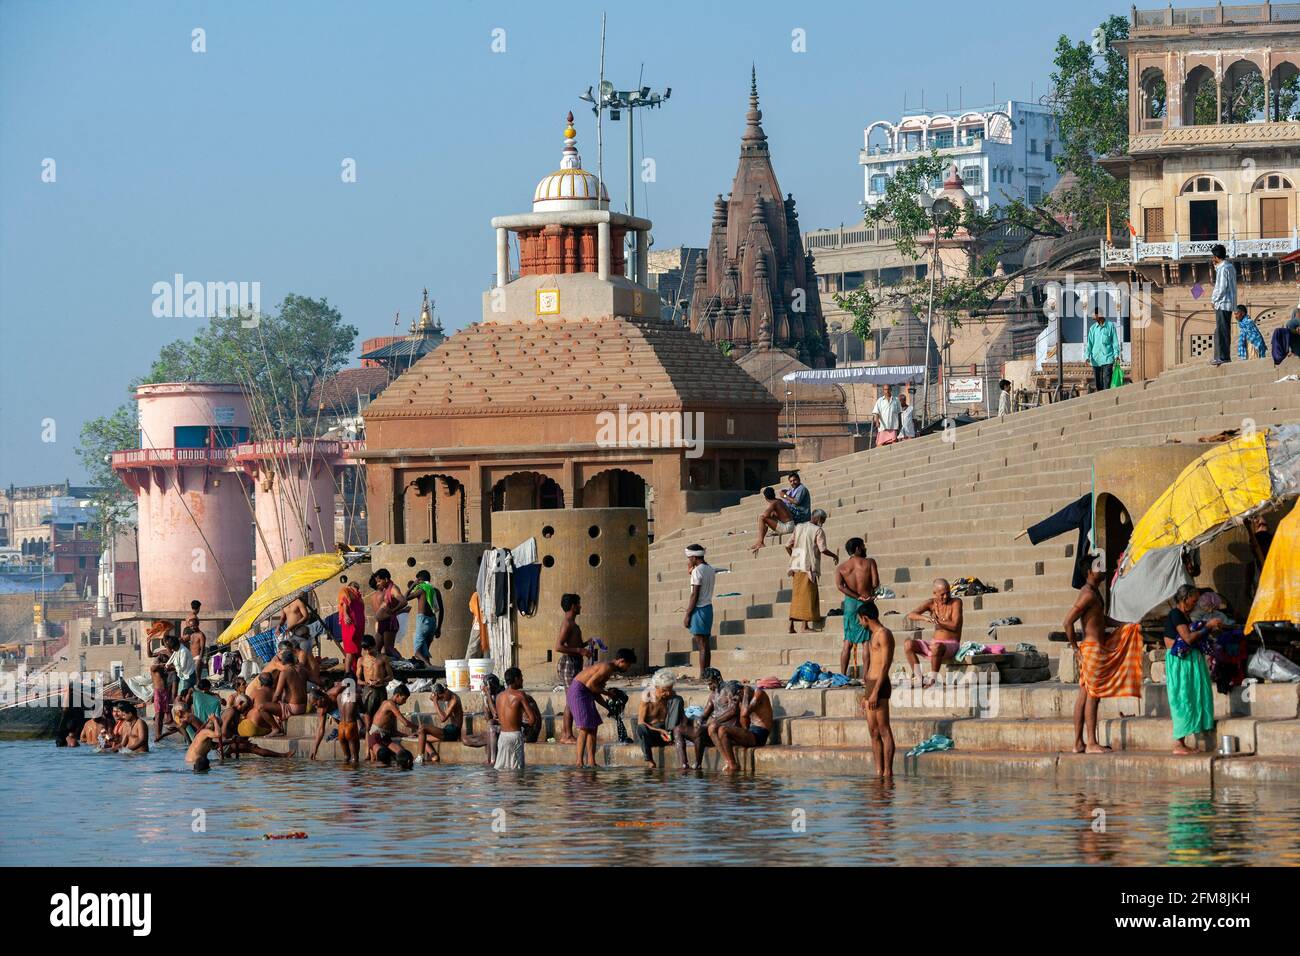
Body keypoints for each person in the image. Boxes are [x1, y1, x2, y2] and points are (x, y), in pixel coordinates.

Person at [1063, 569, 1115, 754]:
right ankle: (1091, 743)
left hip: (1093, 648)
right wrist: (1075, 648)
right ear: (1089, 571)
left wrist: (1123, 624)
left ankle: (1078, 743)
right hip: (1091, 649)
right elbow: (1067, 621)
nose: (1102, 569)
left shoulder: (1093, 592)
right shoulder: (1087, 594)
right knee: (1093, 695)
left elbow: (1100, 619)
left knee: (1084, 695)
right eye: (1097, 566)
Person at [1165, 584, 1219, 755]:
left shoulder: (1184, 616)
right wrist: (1207, 627)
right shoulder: (1176, 614)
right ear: (1184, 598)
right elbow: (1187, 638)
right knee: (1183, 699)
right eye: (1193, 601)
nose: (1195, 604)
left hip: (1188, 662)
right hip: (1180, 664)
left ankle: (1184, 742)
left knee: (1192, 697)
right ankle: (1179, 744)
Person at [567, 648, 637, 767]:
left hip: (586, 693)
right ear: (621, 661)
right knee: (584, 728)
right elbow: (590, 685)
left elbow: (595, 691)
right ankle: (579, 762)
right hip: (579, 692)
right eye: (628, 665)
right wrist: (609, 694)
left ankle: (592, 762)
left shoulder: (609, 670)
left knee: (593, 727)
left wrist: (607, 707)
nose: (628, 668)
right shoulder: (607, 668)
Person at [858, 601, 896, 779]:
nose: (859, 623)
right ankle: (878, 771)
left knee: (883, 730)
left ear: (865, 618)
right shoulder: (872, 635)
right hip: (871, 685)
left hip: (880, 686)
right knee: (873, 732)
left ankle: (888, 772)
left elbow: (885, 666)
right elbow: (872, 665)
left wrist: (874, 692)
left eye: (860, 620)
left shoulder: (884, 634)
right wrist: (866, 693)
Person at [904, 579, 964, 686]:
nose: (945, 597)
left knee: (936, 647)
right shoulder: (931, 603)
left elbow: (955, 626)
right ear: (935, 593)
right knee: (908, 645)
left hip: (951, 645)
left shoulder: (956, 602)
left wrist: (938, 621)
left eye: (948, 593)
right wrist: (925, 618)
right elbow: (911, 615)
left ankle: (933, 680)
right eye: (942, 594)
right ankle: (920, 679)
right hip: (934, 644)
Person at [835, 538, 879, 677]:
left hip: (850, 604)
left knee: (847, 641)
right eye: (863, 546)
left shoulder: (841, 568)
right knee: (866, 642)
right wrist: (864, 595)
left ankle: (842, 676)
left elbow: (840, 586)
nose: (865, 549)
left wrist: (855, 595)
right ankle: (866, 676)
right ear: (857, 549)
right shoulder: (870, 562)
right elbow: (875, 583)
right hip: (866, 603)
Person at [786, 510, 836, 634]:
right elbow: (822, 549)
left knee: (797, 596)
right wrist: (835, 555)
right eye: (822, 521)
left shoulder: (799, 527)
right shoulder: (818, 530)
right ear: (819, 519)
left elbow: (788, 545)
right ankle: (804, 626)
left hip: (796, 566)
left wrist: (795, 558)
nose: (822, 524)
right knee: (807, 596)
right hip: (809, 567)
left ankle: (791, 626)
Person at [711, 681, 773, 773]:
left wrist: (746, 694)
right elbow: (743, 723)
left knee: (723, 730)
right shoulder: (743, 701)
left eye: (734, 698)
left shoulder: (759, 693)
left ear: (740, 692)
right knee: (713, 729)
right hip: (750, 733)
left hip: (759, 734)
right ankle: (728, 762)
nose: (733, 701)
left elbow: (744, 713)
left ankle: (733, 765)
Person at [554, 593, 589, 744]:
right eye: (579, 604)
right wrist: (579, 651)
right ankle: (566, 735)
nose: (581, 606)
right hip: (569, 663)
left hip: (575, 663)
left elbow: (577, 645)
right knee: (571, 699)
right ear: (573, 606)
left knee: (573, 697)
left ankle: (567, 734)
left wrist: (588, 643)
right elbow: (558, 646)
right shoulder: (567, 623)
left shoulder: (574, 624)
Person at [675, 667, 724, 770]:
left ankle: (698, 763)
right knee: (678, 729)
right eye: (708, 684)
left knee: (699, 730)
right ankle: (684, 764)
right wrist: (697, 721)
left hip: (721, 728)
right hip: (711, 727)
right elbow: (704, 715)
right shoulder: (713, 695)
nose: (710, 687)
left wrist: (711, 721)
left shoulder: (728, 692)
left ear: (718, 679)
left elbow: (732, 712)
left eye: (711, 684)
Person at [636, 670, 685, 769]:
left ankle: (673, 736)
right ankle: (650, 760)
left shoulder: (672, 696)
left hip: (668, 733)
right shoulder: (647, 696)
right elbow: (641, 722)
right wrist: (660, 731)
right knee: (640, 728)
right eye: (664, 690)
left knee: (678, 699)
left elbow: (679, 717)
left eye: (670, 689)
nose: (668, 693)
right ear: (656, 687)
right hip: (652, 734)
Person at [494, 667, 540, 770]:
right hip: (515, 736)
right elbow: (532, 719)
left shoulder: (499, 696)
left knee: (502, 770)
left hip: (502, 737)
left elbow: (499, 717)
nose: (522, 680)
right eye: (521, 677)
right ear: (516, 679)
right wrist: (525, 725)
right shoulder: (520, 695)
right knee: (516, 771)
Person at [683, 545, 717, 678]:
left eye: (689, 558)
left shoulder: (698, 571)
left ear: (694, 557)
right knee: (706, 644)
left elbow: (694, 595)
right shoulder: (709, 569)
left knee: (701, 645)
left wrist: (687, 614)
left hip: (699, 609)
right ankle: (706, 674)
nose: (688, 560)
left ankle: (703, 675)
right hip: (708, 608)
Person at [368, 683, 418, 763]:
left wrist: (407, 736)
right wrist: (419, 728)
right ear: (397, 695)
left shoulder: (394, 707)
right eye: (404, 699)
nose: (404, 702)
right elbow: (405, 723)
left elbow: (393, 731)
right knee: (383, 755)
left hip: (385, 738)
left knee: (404, 755)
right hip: (375, 736)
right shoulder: (389, 703)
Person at [414, 682, 464, 762]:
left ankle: (420, 757)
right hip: (448, 729)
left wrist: (435, 702)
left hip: (453, 732)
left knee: (423, 727)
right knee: (421, 736)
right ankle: (434, 756)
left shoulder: (454, 699)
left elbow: (442, 718)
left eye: (441, 698)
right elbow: (432, 697)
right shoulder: (446, 695)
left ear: (444, 693)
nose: (442, 700)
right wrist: (435, 698)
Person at [405, 570, 444, 667]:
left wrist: (412, 586)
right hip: (433, 622)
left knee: (417, 652)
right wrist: (438, 628)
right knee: (424, 652)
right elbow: (442, 610)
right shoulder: (436, 591)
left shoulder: (421, 590)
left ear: (420, 580)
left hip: (423, 622)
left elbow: (405, 598)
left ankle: (430, 666)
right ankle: (427, 678)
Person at [357, 635, 393, 733]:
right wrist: (366, 683)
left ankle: (378, 736)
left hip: (381, 690)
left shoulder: (383, 658)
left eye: (370, 649)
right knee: (368, 715)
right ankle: (369, 737)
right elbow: (358, 680)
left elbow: (391, 676)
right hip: (368, 691)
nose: (368, 652)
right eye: (365, 650)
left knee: (381, 715)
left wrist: (380, 680)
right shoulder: (361, 660)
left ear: (374, 646)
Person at [370, 569, 407, 658]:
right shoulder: (386, 589)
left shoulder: (393, 589)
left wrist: (393, 610)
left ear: (386, 579)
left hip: (389, 623)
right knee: (376, 649)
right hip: (382, 623)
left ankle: (402, 663)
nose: (378, 584)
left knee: (389, 650)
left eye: (379, 581)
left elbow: (404, 601)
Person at [1210, 244, 1237, 366]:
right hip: (1229, 304)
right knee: (1224, 330)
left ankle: (1223, 357)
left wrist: (1214, 300)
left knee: (1222, 331)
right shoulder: (1230, 267)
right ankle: (1224, 356)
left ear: (1215, 256)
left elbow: (1221, 288)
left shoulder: (1223, 269)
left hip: (1222, 303)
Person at [751, 486, 796, 555]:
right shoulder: (779, 501)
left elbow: (764, 515)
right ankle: (760, 542)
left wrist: (770, 512)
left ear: (765, 498)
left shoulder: (773, 503)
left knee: (761, 518)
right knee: (769, 517)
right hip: (791, 525)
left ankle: (760, 542)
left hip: (787, 527)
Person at [272, 646, 309, 723]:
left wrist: (272, 704)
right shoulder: (303, 670)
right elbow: (317, 681)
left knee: (263, 707)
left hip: (293, 708)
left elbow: (277, 694)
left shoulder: (285, 672)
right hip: (304, 707)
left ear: (283, 661)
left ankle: (276, 729)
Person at [1085, 309, 1120, 392]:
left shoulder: (1110, 326)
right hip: (1096, 360)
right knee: (1098, 384)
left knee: (1107, 382)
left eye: (1094, 315)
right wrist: (1087, 356)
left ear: (1099, 315)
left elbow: (1115, 342)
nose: (1092, 317)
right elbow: (1089, 344)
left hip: (1108, 358)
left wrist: (1117, 355)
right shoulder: (1092, 329)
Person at [338, 580, 366, 676]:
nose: (356, 590)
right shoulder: (346, 591)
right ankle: (347, 673)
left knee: (357, 650)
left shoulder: (358, 597)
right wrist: (346, 615)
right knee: (350, 650)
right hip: (349, 625)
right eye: (355, 588)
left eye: (357, 588)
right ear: (350, 586)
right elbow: (345, 603)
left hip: (358, 625)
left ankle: (357, 673)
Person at [149, 650, 173, 742]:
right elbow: (154, 667)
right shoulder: (154, 668)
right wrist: (161, 660)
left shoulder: (164, 669)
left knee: (164, 714)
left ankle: (160, 734)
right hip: (158, 692)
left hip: (165, 692)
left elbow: (175, 667)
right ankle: (157, 734)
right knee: (158, 714)